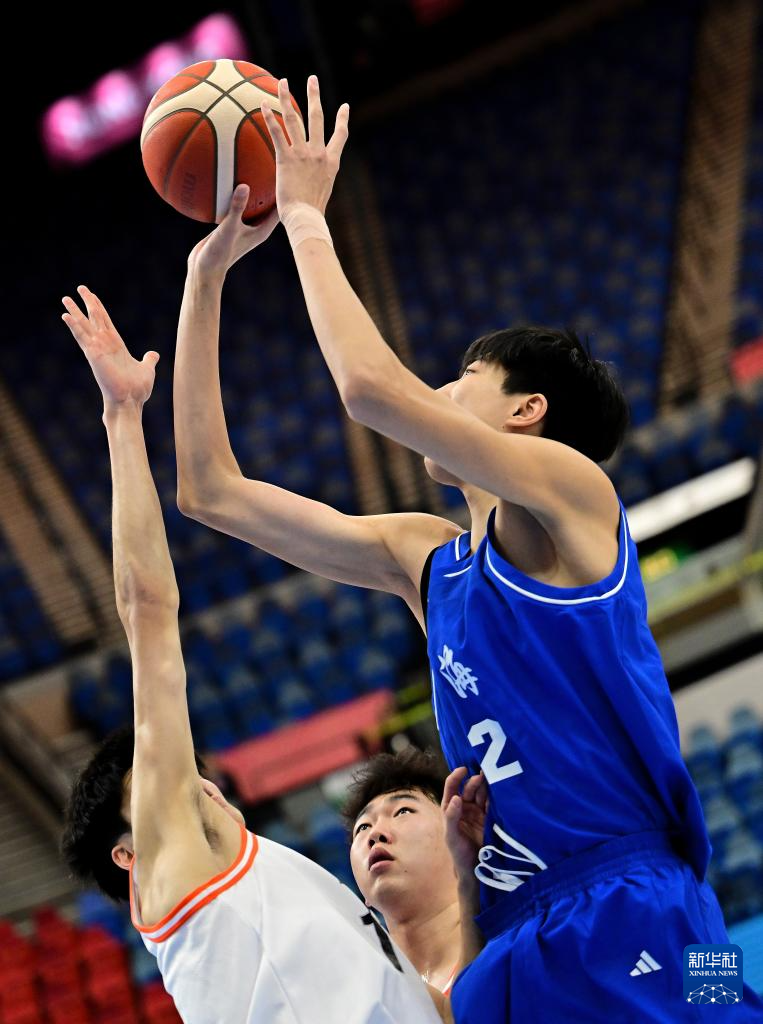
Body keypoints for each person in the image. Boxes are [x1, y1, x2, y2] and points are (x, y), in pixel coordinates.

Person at [172, 75, 763, 1020]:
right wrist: (206, 279)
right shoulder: (428, 559)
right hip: (509, 934)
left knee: (729, 1006)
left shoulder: (574, 497)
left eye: (462, 377)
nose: (439, 394)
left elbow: (368, 391)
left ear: (526, 412)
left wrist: (306, 218)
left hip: (637, 903)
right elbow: (209, 491)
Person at [59, 283, 453, 1024]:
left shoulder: (302, 894)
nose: (187, 777)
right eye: (159, 785)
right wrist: (122, 417)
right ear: (131, 856)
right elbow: (148, 614)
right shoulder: (179, 877)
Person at [344, 749, 485, 998]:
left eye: (403, 811)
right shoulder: (365, 996)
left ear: (459, 829)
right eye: (363, 827)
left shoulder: (515, 937)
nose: (375, 834)